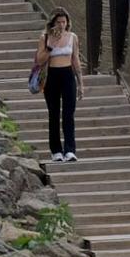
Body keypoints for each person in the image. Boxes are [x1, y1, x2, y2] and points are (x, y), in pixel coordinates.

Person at [35, 8, 82, 163]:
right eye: (58, 22)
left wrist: (80, 83)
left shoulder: (72, 37)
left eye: (64, 22)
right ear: (53, 23)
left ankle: (70, 149)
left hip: (68, 75)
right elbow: (40, 60)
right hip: (52, 76)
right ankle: (56, 150)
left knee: (69, 113)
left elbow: (75, 59)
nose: (61, 25)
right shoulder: (45, 37)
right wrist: (51, 44)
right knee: (54, 114)